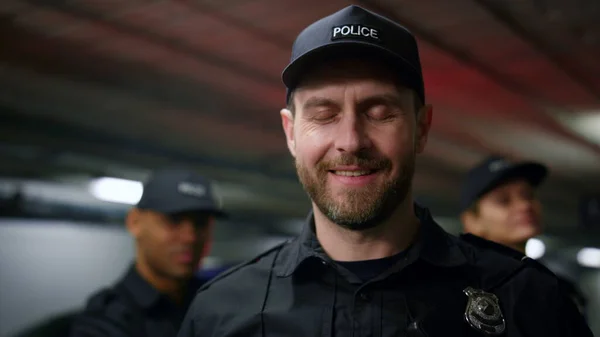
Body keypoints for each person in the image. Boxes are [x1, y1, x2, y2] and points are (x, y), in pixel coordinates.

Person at [178, 5, 592, 337]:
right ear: (290, 132)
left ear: (422, 128)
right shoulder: (220, 314)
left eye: (380, 113)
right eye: (323, 114)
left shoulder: (527, 299)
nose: (351, 140)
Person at [70, 168, 225, 337]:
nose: (190, 237)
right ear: (135, 222)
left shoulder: (214, 302)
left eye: (200, 223)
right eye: (174, 220)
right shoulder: (104, 321)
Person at [460, 155, 587, 315]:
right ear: (472, 221)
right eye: (503, 200)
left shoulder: (559, 289)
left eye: (528, 195)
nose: (525, 205)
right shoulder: (460, 289)